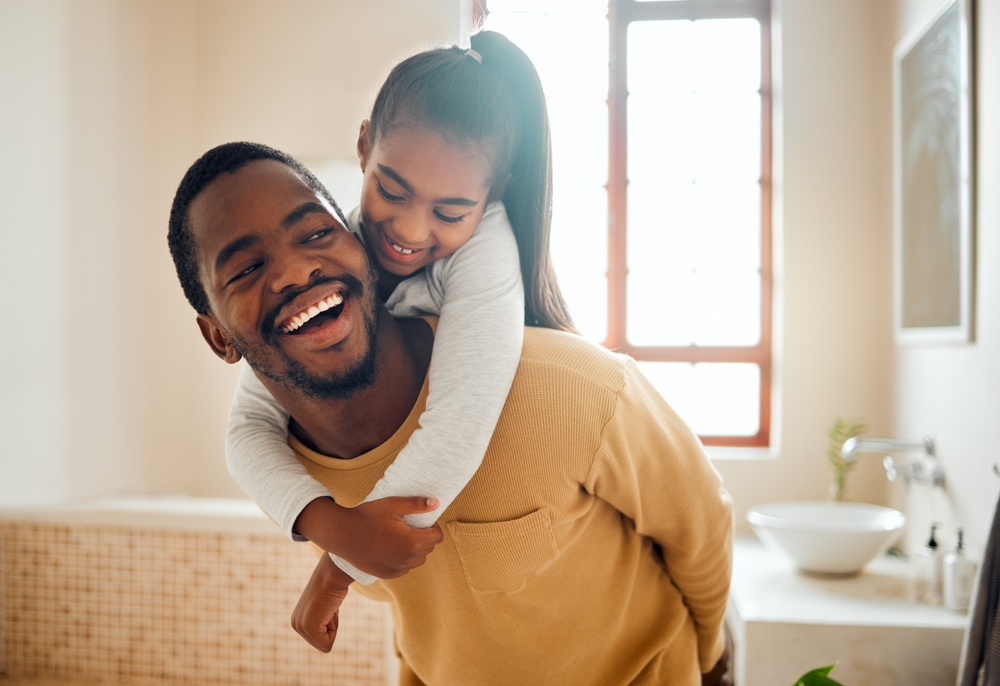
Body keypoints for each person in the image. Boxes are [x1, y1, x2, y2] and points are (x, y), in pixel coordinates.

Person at [168, 143, 734, 685]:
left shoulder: (570, 386)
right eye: (245, 269)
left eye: (317, 232)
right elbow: (434, 618)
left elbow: (701, 527)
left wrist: (710, 663)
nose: (295, 272)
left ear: (361, 242)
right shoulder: (291, 478)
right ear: (219, 337)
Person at [220, 32, 572, 585]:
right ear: (364, 147)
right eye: (392, 190)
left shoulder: (486, 247)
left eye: (451, 213)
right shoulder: (331, 249)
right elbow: (247, 429)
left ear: (492, 196)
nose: (408, 230)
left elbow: (457, 425)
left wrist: (335, 578)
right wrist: (330, 526)